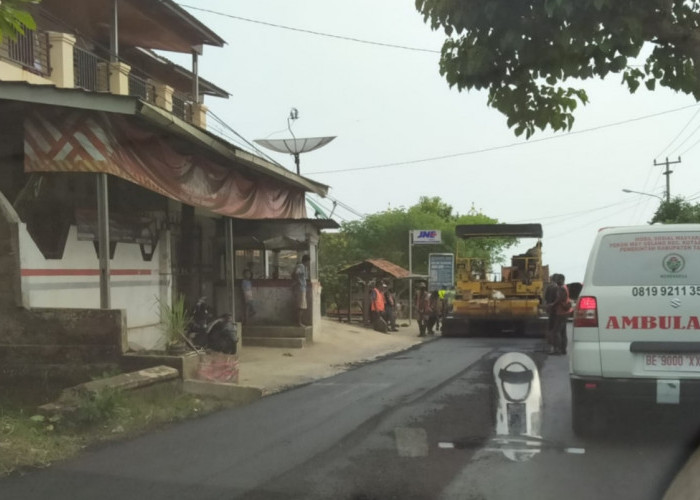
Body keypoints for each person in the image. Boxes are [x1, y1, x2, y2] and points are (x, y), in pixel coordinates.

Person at [550, 274, 573, 355]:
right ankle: (563, 349)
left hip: (561, 312)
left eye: (557, 279)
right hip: (565, 312)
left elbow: (560, 299)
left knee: (556, 331)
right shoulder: (565, 287)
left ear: (561, 280)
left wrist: (552, 305)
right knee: (563, 331)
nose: (556, 281)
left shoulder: (562, 288)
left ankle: (558, 350)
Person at [544, 273, 561, 353]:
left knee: (550, 329)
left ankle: (551, 347)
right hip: (557, 311)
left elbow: (546, 299)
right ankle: (556, 348)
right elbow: (559, 299)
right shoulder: (558, 288)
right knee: (556, 330)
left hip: (551, 310)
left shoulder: (549, 287)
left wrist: (548, 306)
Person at [292, 254, 309, 327]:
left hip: (301, 288)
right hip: (300, 288)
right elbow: (295, 274)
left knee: (301, 306)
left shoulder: (301, 267)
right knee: (301, 306)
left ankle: (299, 321)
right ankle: (299, 322)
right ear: (306, 261)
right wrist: (299, 282)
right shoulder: (301, 266)